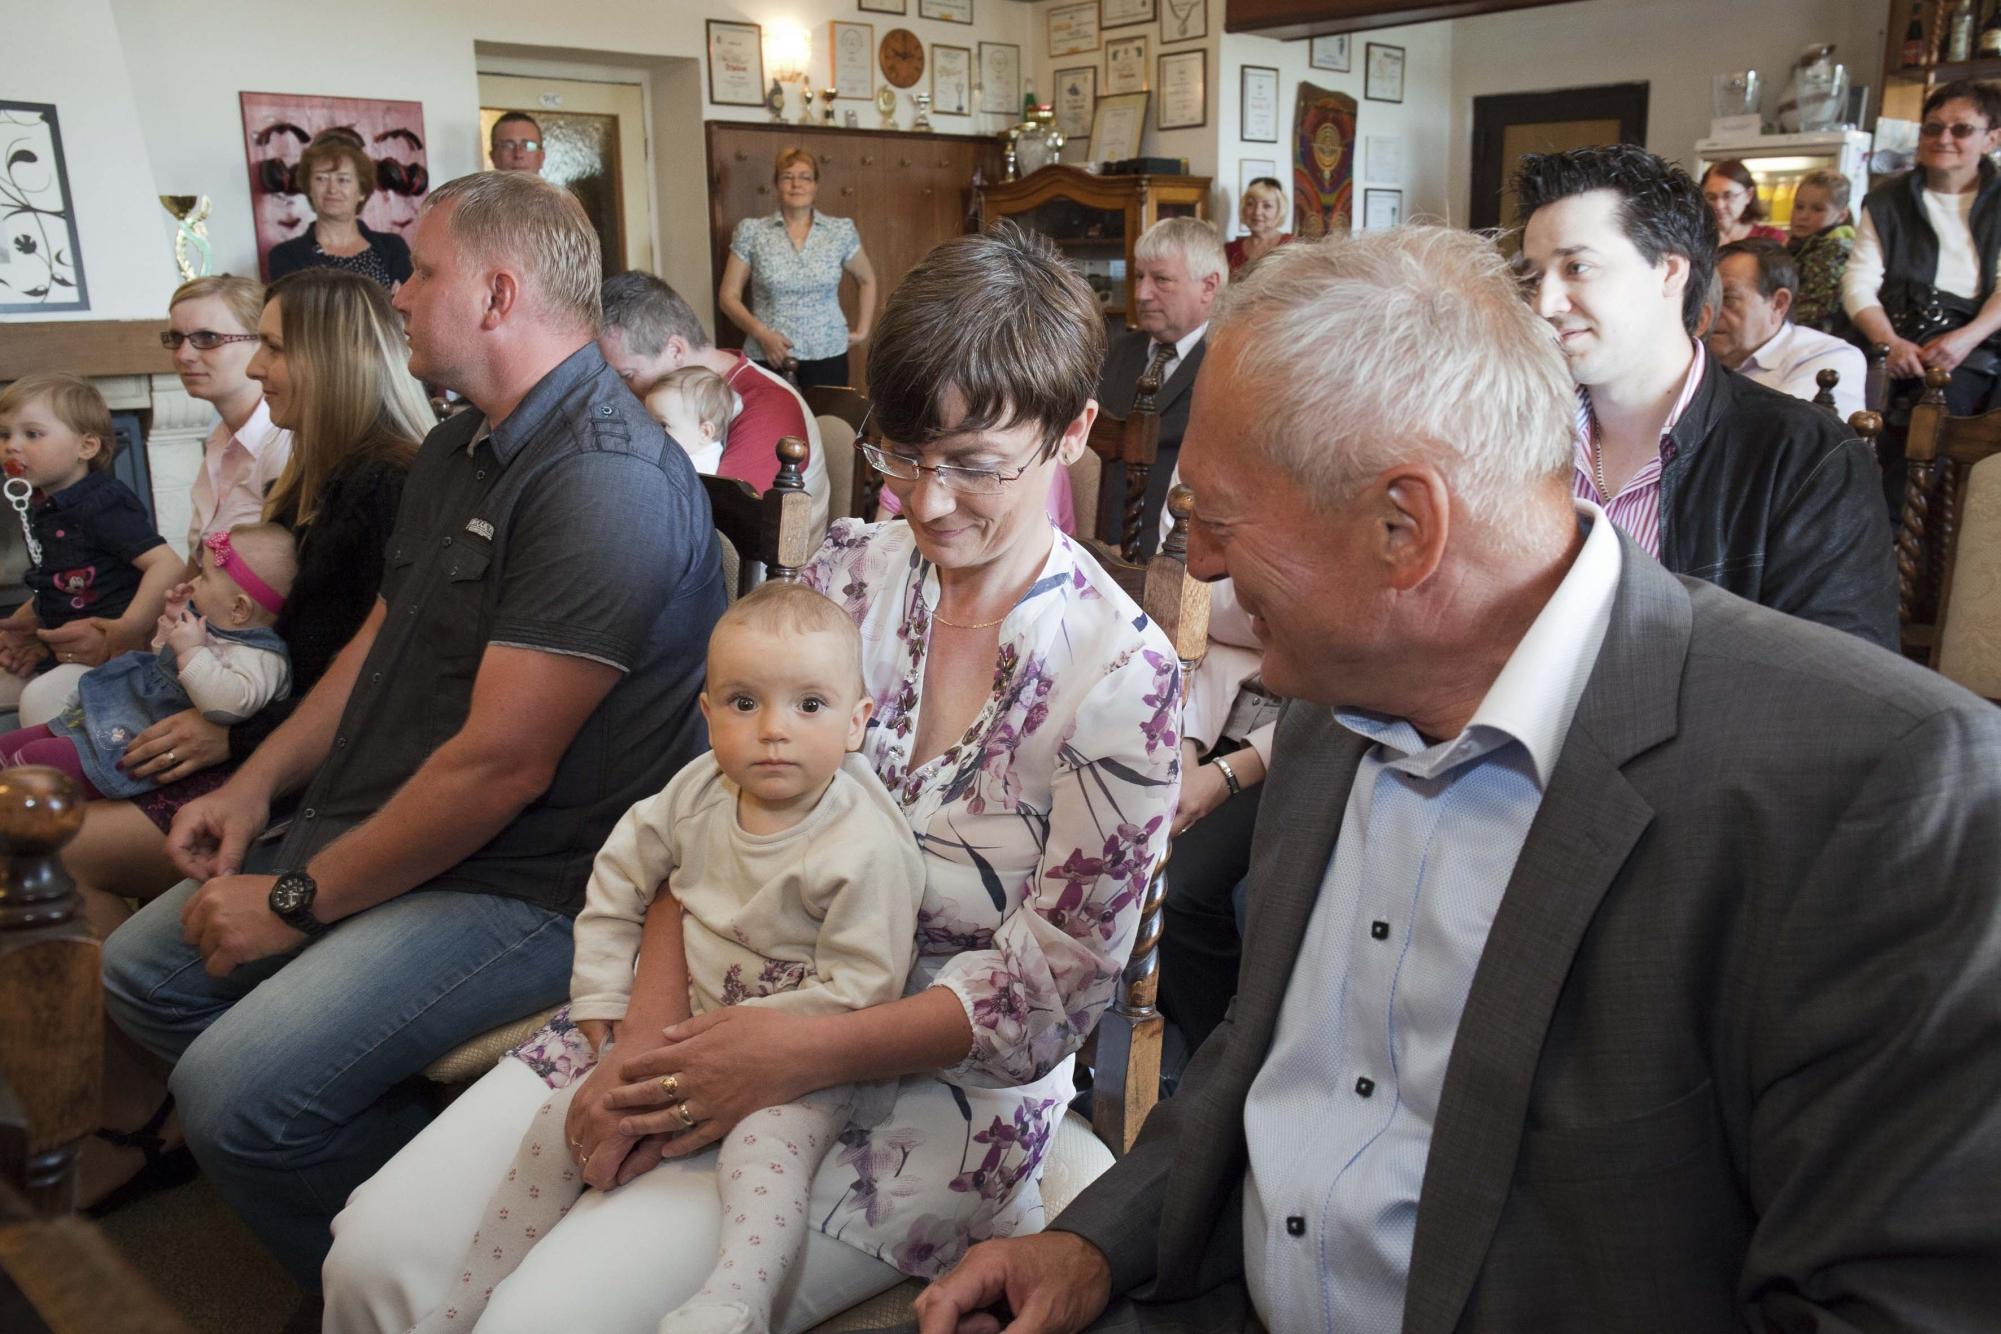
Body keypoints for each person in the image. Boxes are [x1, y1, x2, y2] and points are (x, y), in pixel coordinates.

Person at [912, 223, 2001, 1334]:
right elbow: (1263, 1055)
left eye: (1217, 521)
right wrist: (1091, 1243)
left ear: (1404, 528)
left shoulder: (1878, 796)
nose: (1203, 566)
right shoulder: (1339, 697)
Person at [322, 221, 1180, 1334]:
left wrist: (780, 1054)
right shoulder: (849, 575)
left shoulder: (1121, 679)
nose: (926, 502)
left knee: (540, 1317)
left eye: (975, 464)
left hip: (919, 1092)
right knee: (375, 1254)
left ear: (1072, 433)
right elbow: (701, 817)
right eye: (904, 453)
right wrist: (640, 1041)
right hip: (705, 992)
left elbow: (1042, 1004)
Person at [98, 169, 726, 1294]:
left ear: (496, 294)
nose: (396, 294)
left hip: (540, 881)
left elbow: (500, 768)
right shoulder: (459, 446)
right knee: (143, 972)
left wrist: (296, 899)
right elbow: (379, 644)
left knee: (234, 1094)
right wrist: (256, 785)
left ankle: (422, 1285)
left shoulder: (604, 477)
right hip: (414, 816)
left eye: (421, 271)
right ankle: (362, 1189)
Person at [410, 581, 927, 1334]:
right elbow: (618, 880)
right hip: (680, 1027)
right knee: (560, 1124)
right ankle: (465, 1298)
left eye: (809, 706)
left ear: (857, 722)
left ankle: (735, 1299)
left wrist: (727, 1048)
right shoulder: (695, 792)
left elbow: (862, 989)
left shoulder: (864, 848)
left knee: (765, 1158)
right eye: (745, 703)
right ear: (707, 714)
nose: (774, 730)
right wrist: (600, 996)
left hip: (799, 1059)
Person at [68, 268, 430, 1214]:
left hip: (317, 785)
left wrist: (235, 742)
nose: (257, 367)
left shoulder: (386, 484)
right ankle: (143, 1103)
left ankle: (148, 1115)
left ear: (332, 359)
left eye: (272, 346)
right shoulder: (316, 473)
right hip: (265, 751)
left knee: (59, 849)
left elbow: (370, 685)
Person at [1514, 144, 1896, 649]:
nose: (1544, 303)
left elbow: (1842, 677)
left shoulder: (1806, 457)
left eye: (1577, 268)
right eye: (1533, 276)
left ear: (1671, 272)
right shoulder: (1512, 434)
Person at [0, 524, 294, 799]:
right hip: (122, 710)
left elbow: (227, 705)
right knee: (11, 745)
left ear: (239, 608)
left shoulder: (261, 657)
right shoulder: (215, 622)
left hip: (136, 739)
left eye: (204, 577)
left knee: (33, 761)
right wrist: (171, 625)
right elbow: (164, 667)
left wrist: (192, 650)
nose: (192, 583)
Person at [0, 374, 181, 725]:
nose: (11, 446)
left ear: (86, 447)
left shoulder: (102, 504)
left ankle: (63, 758)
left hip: (116, 656)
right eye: (5, 435)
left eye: (32, 434)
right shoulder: (41, 506)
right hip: (59, 647)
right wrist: (26, 619)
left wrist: (127, 628)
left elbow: (167, 565)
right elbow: (66, 578)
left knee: (40, 700)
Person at [599, 269, 832, 537]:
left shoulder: (767, 406)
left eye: (627, 375)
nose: (621, 390)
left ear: (675, 350)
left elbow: (723, 526)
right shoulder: (670, 399)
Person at [1096, 216, 1226, 557]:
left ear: (1208, 286)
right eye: (1139, 277)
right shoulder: (1114, 352)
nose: (1141, 294)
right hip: (1096, 553)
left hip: (1178, 556)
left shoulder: (1229, 364)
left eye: (1161, 279)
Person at [719, 146, 879, 390]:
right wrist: (763, 335)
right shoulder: (752, 231)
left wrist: (862, 330)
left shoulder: (840, 231)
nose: (796, 184)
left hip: (828, 352)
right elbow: (728, 296)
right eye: (787, 177)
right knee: (772, 416)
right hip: (769, 353)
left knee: (827, 416)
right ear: (776, 184)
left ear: (815, 186)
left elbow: (867, 279)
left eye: (805, 177)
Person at [161, 275, 294, 564]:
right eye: (176, 338)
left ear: (263, 344)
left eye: (208, 338)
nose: (183, 355)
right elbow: (201, 559)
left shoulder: (285, 443)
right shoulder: (220, 440)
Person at [1707, 238, 1866, 417]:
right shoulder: (1695, 355)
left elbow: (1783, 429)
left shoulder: (1829, 356)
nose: (1709, 313)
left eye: (1728, 299)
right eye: (1705, 300)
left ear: (1778, 304)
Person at [266, 133, 412, 290]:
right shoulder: (286, 256)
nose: (332, 189)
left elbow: (410, 303)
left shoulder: (393, 247)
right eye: (321, 178)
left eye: (343, 179)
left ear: (362, 191)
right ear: (308, 188)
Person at [1786, 168, 1855, 333]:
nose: (1803, 216)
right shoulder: (1800, 246)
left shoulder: (1833, 252)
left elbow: (1814, 311)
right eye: (1799, 207)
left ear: (1841, 215)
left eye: (1817, 209)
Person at [647, 365, 731, 474]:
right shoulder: (694, 445)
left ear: (704, 432)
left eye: (663, 425)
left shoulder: (693, 469)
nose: (650, 431)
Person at [1700, 159, 1785, 245]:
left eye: (1728, 196)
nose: (1719, 205)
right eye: (1711, 197)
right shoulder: (1697, 237)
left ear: (1749, 195)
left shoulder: (1771, 237)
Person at [1224, 177, 1291, 273]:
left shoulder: (1292, 246)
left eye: (1266, 206)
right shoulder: (1230, 250)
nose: (1257, 212)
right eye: (1250, 204)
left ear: (1279, 210)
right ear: (1243, 208)